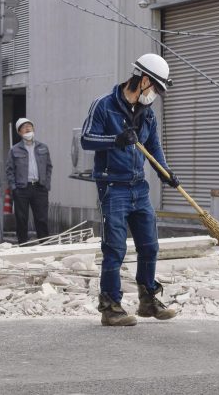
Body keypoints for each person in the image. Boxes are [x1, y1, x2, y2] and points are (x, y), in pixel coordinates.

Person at [80, 53, 179, 326]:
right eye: (156, 88)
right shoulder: (104, 105)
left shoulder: (147, 114)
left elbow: (154, 148)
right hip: (114, 187)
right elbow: (86, 139)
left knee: (150, 246)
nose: (156, 95)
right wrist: (117, 139)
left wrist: (165, 172)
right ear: (144, 80)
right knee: (114, 248)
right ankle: (110, 307)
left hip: (139, 187)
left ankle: (148, 299)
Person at [5, 118, 52, 244]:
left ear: (33, 129)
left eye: (29, 126)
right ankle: (23, 243)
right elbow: (9, 170)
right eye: (24, 127)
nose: (27, 128)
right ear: (19, 132)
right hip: (22, 188)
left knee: (41, 218)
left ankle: (44, 243)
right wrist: (14, 188)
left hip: (40, 187)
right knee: (21, 218)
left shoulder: (43, 147)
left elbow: (49, 167)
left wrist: (46, 184)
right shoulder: (14, 150)